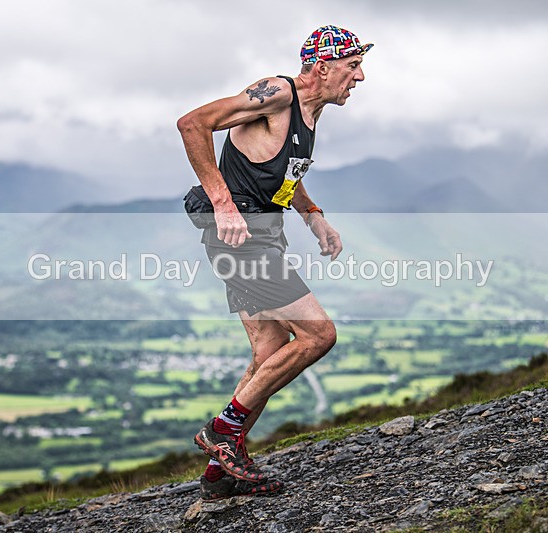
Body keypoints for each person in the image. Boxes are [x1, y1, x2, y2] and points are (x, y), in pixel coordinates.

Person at [177, 25, 372, 501]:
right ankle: (223, 431)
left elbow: (287, 174)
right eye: (352, 66)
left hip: (262, 234)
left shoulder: (309, 114)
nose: (360, 77)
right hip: (239, 235)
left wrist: (313, 216)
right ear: (322, 67)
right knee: (318, 334)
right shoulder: (279, 94)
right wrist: (222, 202)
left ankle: (219, 476)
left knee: (269, 352)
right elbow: (192, 123)